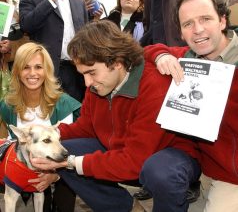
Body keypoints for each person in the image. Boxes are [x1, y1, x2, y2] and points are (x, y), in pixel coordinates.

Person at [29, 20, 201, 212]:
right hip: (124, 151)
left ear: (117, 62)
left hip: (167, 157)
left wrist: (71, 163)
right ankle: (127, 208)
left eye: (92, 72)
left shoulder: (153, 86)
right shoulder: (99, 85)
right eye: (83, 74)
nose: (87, 83)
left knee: (160, 173)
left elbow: (134, 161)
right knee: (59, 150)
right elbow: (85, 127)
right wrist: (49, 134)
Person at [144, 0, 238, 211]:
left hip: (231, 176)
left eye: (205, 19)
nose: (197, 30)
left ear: (223, 20)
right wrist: (161, 55)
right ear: (181, 32)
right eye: (188, 24)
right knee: (156, 169)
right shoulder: (187, 57)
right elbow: (146, 51)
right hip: (205, 164)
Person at [0, 42, 81, 212]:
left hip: (63, 168)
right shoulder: (8, 105)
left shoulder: (64, 104)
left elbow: (70, 149)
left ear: (47, 71)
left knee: (63, 192)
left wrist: (54, 176)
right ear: (17, 72)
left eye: (38, 67)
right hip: (26, 167)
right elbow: (11, 143)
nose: (32, 73)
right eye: (26, 67)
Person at [19, 0, 88, 102]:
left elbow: (86, 35)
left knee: (73, 114)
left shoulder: (78, 3)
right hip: (44, 70)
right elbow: (26, 25)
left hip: (74, 71)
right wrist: (49, 0)